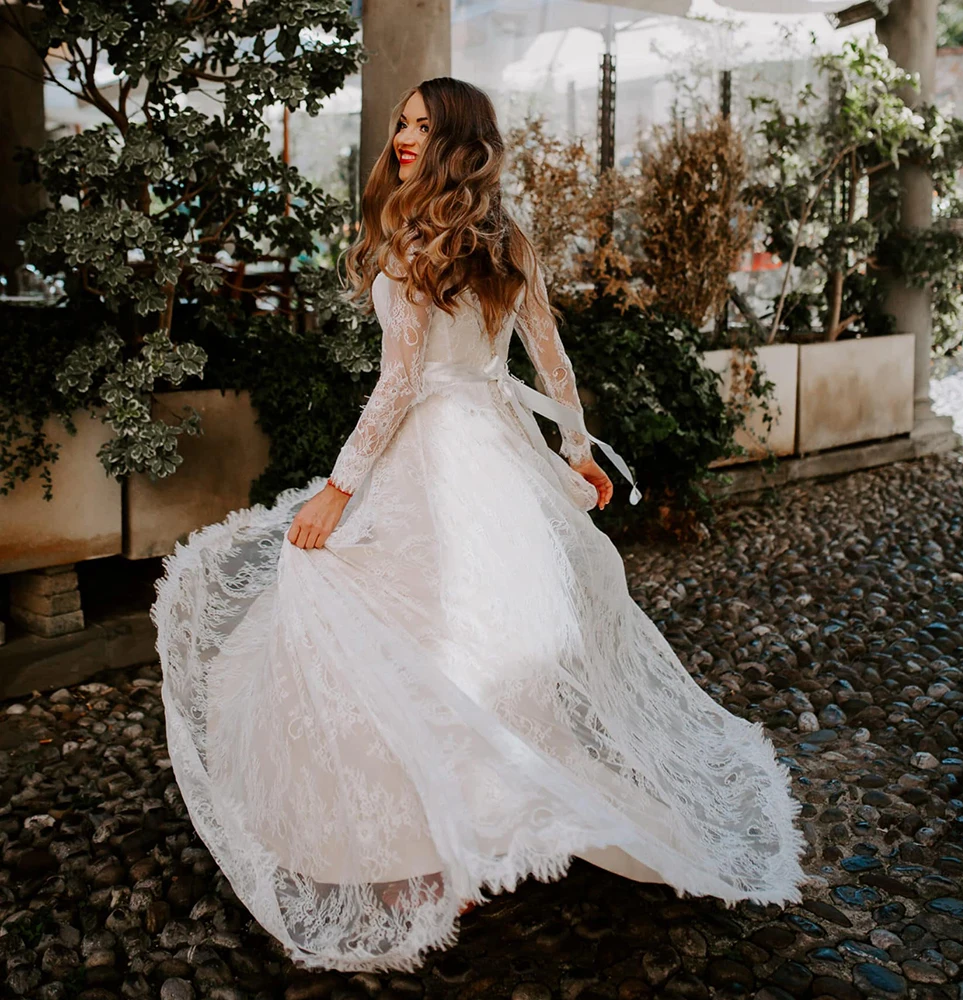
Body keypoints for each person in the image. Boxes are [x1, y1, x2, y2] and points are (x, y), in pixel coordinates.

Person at [152, 77, 806, 975]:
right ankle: (466, 833)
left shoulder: (414, 245)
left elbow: (399, 386)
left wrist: (340, 489)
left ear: (459, 139)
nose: (406, 136)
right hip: (495, 451)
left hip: (435, 454)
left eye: (425, 125)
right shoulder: (507, 241)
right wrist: (572, 447)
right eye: (402, 122)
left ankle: (437, 844)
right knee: (467, 641)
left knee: (403, 637)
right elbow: (552, 358)